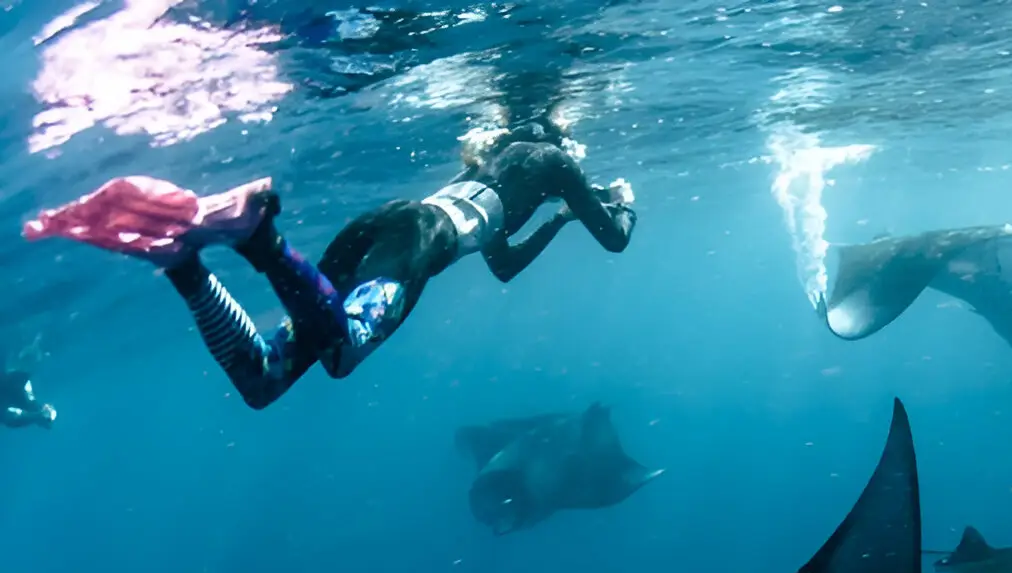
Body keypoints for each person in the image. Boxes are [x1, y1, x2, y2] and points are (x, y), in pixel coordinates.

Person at [23, 121, 634, 409]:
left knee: (263, 384)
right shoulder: (558, 164)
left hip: (387, 221)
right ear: (564, 139)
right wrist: (617, 207)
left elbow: (501, 265)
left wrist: (557, 220)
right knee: (341, 354)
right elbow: (616, 241)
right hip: (418, 243)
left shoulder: (492, 165)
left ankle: (183, 264)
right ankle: (261, 240)